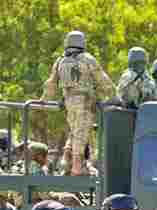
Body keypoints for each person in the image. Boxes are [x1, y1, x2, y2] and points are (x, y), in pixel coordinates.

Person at [42, 30, 115, 177]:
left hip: (68, 101)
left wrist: (44, 100)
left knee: (75, 132)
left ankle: (67, 161)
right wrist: (114, 96)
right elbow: (103, 79)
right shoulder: (87, 59)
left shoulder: (60, 61)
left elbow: (51, 83)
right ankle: (76, 167)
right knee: (81, 134)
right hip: (84, 101)